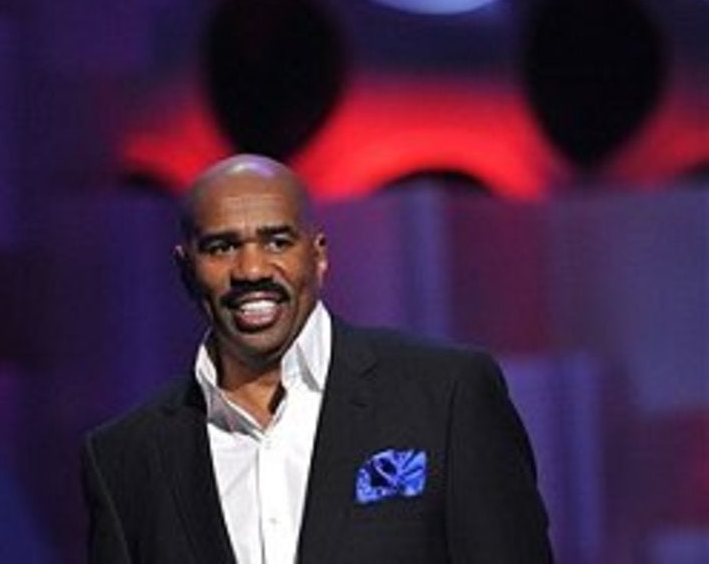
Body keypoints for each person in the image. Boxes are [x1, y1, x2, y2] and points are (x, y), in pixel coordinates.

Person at [82, 154, 553, 564]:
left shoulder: (446, 395)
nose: (251, 270)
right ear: (186, 269)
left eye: (277, 242)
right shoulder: (125, 458)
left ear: (318, 256)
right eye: (222, 247)